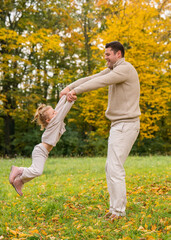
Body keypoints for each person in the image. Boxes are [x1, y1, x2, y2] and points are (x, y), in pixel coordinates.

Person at [60, 41, 141, 221]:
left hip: (126, 124)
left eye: (107, 55)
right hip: (118, 125)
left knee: (115, 167)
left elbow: (100, 82)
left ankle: (119, 212)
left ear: (118, 54)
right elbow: (92, 78)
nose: (105, 58)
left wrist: (76, 92)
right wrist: (69, 88)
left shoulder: (125, 69)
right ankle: (114, 209)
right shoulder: (114, 69)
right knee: (110, 167)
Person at [9, 96, 74, 196]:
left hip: (43, 151)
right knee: (37, 171)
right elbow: (63, 111)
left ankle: (19, 181)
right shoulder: (54, 121)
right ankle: (19, 170)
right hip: (40, 150)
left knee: (36, 170)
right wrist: (70, 101)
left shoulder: (54, 119)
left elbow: (59, 107)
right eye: (53, 113)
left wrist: (65, 96)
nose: (56, 112)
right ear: (48, 120)